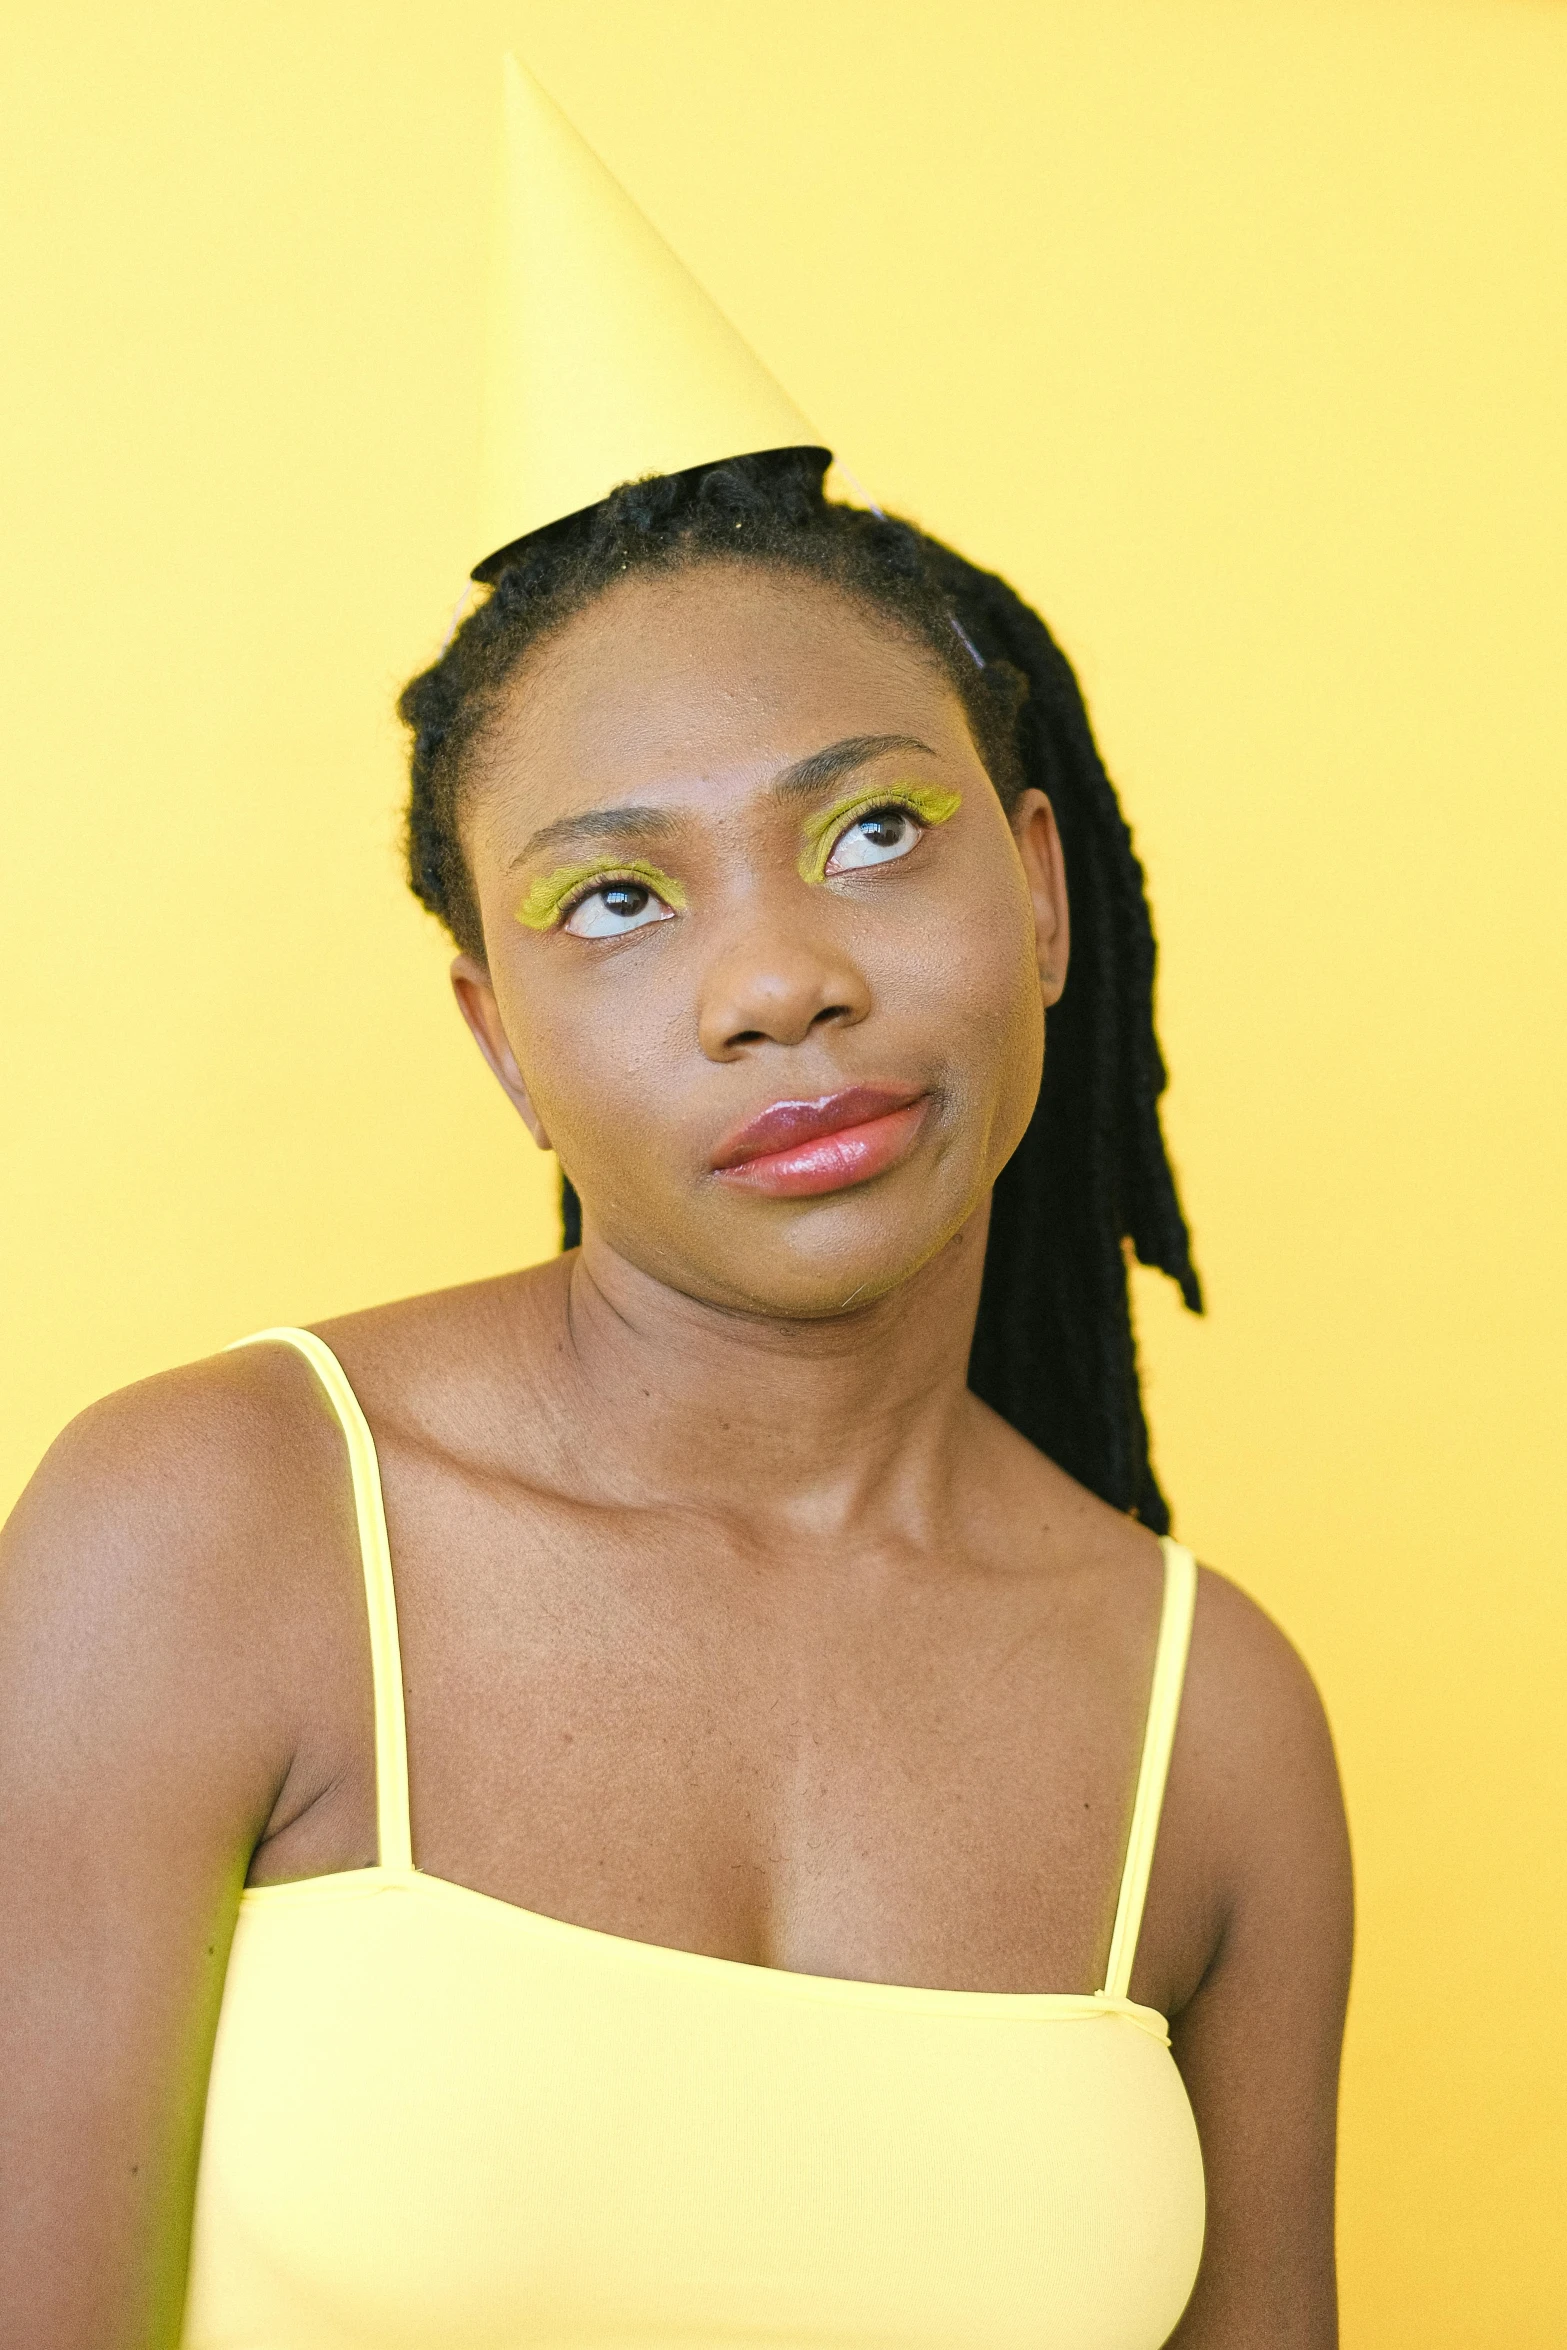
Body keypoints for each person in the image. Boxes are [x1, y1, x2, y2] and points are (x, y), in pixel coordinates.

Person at [0, 58, 1352, 2350]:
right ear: (498, 1030)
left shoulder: (1208, 1722)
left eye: (871, 833)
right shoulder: (207, 1527)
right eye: (619, 897)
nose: (778, 978)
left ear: (1039, 893)